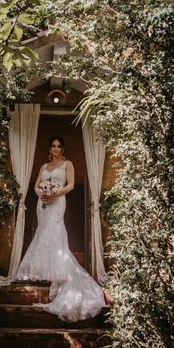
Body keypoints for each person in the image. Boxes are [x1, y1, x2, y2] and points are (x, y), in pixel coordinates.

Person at [15, 135, 107, 322]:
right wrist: (41, 194)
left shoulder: (68, 164)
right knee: (43, 234)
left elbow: (71, 185)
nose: (56, 149)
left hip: (57, 204)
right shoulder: (43, 167)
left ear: (62, 149)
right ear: (49, 149)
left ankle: (59, 272)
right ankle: (47, 271)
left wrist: (56, 193)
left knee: (55, 233)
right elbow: (35, 186)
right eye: (53, 146)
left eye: (59, 146)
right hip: (43, 205)